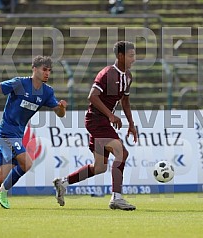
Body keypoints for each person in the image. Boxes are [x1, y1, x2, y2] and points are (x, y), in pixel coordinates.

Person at [0, 55, 67, 209]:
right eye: (44, 69)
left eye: (49, 70)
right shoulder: (20, 83)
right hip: (6, 132)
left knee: (1, 177)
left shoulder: (47, 92)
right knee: (27, 163)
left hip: (17, 134)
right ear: (34, 69)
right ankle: (3, 192)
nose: (47, 73)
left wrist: (62, 108)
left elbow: (59, 112)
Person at [53, 41, 138, 211]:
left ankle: (63, 182)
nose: (133, 59)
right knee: (122, 152)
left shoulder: (127, 76)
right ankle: (117, 198)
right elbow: (92, 97)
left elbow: (125, 101)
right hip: (96, 120)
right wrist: (111, 115)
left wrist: (131, 124)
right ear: (120, 56)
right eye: (131, 55)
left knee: (99, 167)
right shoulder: (107, 73)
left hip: (103, 121)